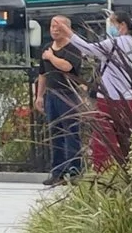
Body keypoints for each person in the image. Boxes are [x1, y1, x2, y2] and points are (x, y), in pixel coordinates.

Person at [37, 14, 95, 185]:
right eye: (52, 26)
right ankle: (58, 172)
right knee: (55, 134)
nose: (54, 30)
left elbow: (67, 67)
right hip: (51, 94)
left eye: (58, 27)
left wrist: (51, 57)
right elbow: (42, 74)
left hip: (68, 94)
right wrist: (39, 96)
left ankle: (74, 171)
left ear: (67, 29)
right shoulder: (47, 47)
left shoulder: (73, 48)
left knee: (71, 133)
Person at [92, 13, 132, 170]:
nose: (111, 28)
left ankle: (103, 168)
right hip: (128, 97)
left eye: (112, 24)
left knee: (104, 133)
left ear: (122, 25)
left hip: (110, 97)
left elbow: (89, 49)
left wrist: (70, 35)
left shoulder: (116, 43)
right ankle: (125, 167)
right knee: (125, 134)